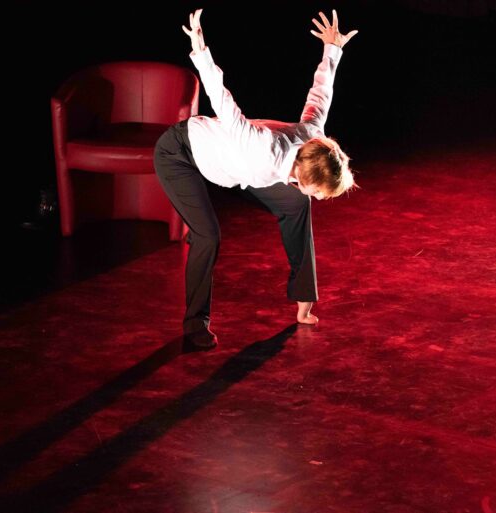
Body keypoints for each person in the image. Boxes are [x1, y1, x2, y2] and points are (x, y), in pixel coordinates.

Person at [153, 8, 358, 350]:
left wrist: (332, 49)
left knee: (295, 203)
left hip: (232, 167)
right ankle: (195, 324)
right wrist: (200, 51)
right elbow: (222, 101)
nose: (323, 198)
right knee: (208, 235)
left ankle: (304, 300)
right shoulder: (261, 149)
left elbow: (321, 94)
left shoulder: (312, 136)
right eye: (322, 192)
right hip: (181, 154)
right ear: (306, 178)